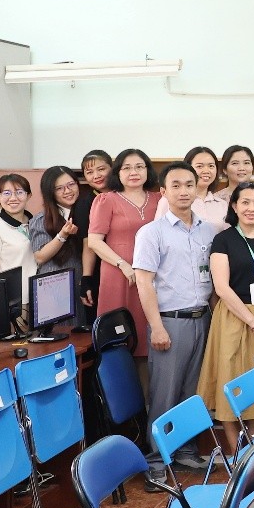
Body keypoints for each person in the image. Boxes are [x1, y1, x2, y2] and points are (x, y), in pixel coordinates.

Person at [133, 163, 220, 486]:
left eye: (189, 185)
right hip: (170, 321)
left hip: (202, 318)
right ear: (163, 191)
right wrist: (156, 327)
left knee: (192, 391)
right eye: (176, 185)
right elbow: (144, 282)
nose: (184, 191)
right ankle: (156, 458)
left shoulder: (208, 231)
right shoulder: (151, 232)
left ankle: (185, 450)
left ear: (197, 188)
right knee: (164, 394)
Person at [198, 183, 254, 452]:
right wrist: (252, 321)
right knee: (232, 382)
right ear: (234, 206)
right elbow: (221, 288)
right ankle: (239, 455)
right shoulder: (223, 240)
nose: (252, 208)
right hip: (234, 318)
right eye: (245, 202)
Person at [87, 148, 162, 359]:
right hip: (118, 273)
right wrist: (123, 264)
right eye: (127, 168)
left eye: (139, 167)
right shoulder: (106, 200)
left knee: (150, 330)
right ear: (117, 172)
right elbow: (94, 241)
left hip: (152, 273)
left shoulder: (160, 199)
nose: (133, 172)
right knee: (118, 335)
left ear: (148, 170)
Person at [28, 165, 83, 329]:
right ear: (50, 192)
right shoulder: (42, 219)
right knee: (59, 334)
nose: (67, 191)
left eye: (71, 184)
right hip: (55, 288)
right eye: (59, 188)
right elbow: (40, 256)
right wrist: (63, 234)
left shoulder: (85, 211)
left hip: (79, 285)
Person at [0, 175, 37, 301]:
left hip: (38, 293)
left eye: (19, 192)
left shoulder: (35, 223)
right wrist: (0, 299)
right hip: (13, 299)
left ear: (28, 196)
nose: (13, 198)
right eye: (6, 193)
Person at [75, 149, 112, 317]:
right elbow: (88, 243)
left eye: (101, 169)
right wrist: (87, 278)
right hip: (100, 270)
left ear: (112, 168)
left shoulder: (124, 194)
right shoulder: (85, 203)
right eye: (89, 172)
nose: (96, 176)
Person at [179, 146, 230, 226]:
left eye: (211, 166)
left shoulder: (222, 204)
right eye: (199, 166)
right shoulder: (171, 200)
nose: (206, 171)